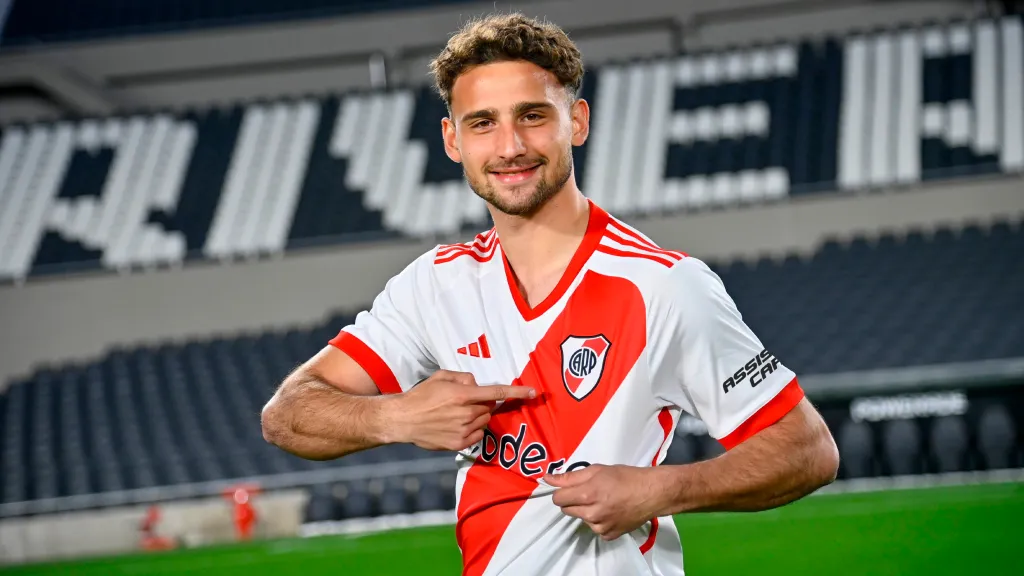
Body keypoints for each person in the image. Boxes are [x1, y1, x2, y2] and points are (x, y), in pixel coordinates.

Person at [262, 12, 839, 575]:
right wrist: (396, 417)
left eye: (532, 116)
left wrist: (660, 488)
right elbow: (288, 415)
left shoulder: (662, 286)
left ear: (577, 122)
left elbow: (808, 449)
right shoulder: (435, 284)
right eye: (482, 122)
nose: (510, 145)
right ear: (452, 140)